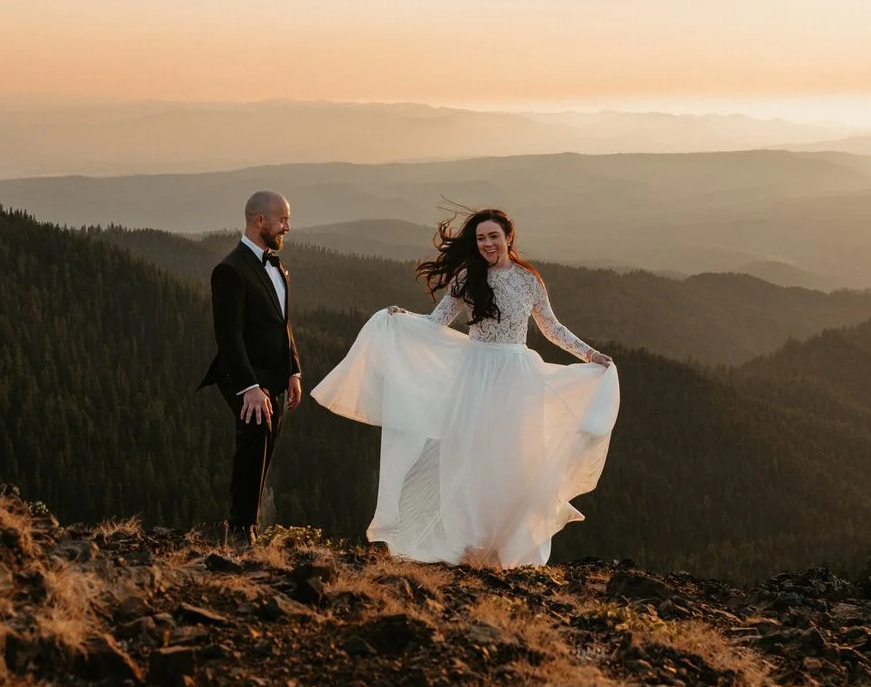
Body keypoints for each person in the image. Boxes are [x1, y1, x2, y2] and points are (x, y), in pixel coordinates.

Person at [311, 207, 618, 568]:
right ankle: (471, 543)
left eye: (493, 236)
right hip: (475, 375)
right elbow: (437, 323)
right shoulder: (466, 277)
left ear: (508, 238)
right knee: (470, 461)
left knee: (514, 462)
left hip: (517, 377)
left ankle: (508, 544)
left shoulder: (528, 279)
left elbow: (552, 328)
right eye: (481, 238)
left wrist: (590, 354)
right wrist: (402, 321)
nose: (487, 244)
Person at [198, 191, 302, 547]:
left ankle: (246, 526)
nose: (287, 226)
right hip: (240, 375)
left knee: (266, 445)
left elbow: (282, 322)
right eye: (282, 219)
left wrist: (293, 371)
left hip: (274, 374)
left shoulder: (277, 266)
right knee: (254, 439)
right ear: (260, 221)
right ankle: (241, 531)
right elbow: (228, 337)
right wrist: (249, 388)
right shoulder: (230, 269)